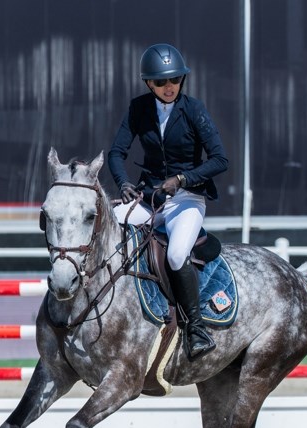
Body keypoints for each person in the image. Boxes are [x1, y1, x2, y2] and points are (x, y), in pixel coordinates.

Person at [108, 43, 228, 361]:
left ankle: (196, 329)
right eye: (161, 82)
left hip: (186, 199)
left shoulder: (194, 110)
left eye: (174, 79)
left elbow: (220, 159)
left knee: (176, 254)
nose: (168, 87)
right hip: (149, 198)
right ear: (149, 83)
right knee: (110, 224)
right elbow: (116, 153)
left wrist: (182, 179)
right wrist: (124, 185)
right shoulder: (139, 109)